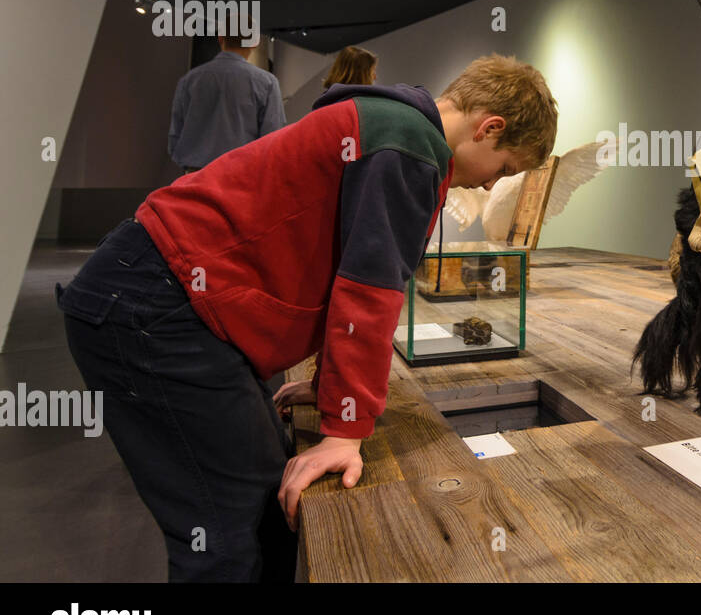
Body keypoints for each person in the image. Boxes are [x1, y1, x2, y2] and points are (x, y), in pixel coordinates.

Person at [55, 54, 557, 582]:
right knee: (229, 536)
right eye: (504, 169)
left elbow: (342, 262)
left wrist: (328, 389)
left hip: (158, 291)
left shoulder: (389, 125)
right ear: (490, 128)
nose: (487, 186)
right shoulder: (411, 146)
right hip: (157, 304)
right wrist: (345, 430)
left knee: (264, 495)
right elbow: (369, 289)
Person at [169, 35, 286, 172]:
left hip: (195, 174)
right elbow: (272, 137)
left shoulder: (189, 80)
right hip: (240, 174)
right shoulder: (267, 82)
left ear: (220, 39)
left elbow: (176, 133)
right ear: (254, 42)